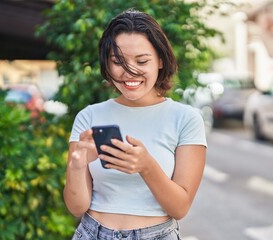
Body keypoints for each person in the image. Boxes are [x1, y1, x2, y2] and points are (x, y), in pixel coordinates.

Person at [65, 9, 207, 240]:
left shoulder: (185, 118)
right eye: (118, 62)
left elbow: (180, 208)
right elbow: (76, 207)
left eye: (142, 61)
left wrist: (145, 166)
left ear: (161, 60)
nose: (130, 72)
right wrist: (77, 166)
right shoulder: (89, 116)